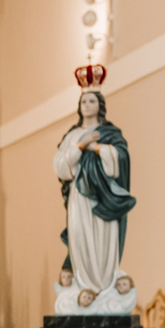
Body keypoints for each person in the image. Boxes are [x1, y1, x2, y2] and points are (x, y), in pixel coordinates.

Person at [53, 88, 134, 308]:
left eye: (91, 101)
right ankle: (85, 288)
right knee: (80, 237)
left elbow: (121, 159)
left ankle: (105, 287)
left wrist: (96, 147)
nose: (87, 105)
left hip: (103, 197)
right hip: (79, 199)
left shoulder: (110, 133)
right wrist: (81, 144)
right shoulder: (72, 135)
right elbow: (61, 166)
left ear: (100, 105)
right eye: (83, 101)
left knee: (103, 238)